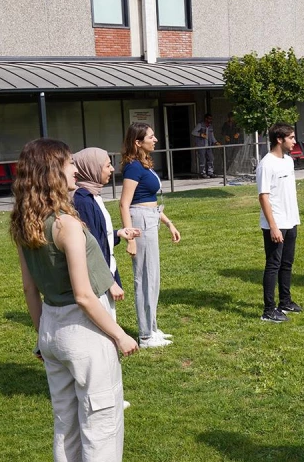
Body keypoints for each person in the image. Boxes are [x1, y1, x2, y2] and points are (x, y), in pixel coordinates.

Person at [10, 138, 139, 462]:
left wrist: (41, 336)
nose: (73, 171)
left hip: (51, 327)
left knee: (66, 422)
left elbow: (30, 291)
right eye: (66, 165)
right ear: (52, 172)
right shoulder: (65, 224)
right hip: (83, 334)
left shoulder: (24, 223)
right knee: (100, 423)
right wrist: (119, 335)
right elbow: (84, 295)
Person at [119, 123, 181, 348]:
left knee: (152, 276)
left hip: (150, 218)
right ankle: (145, 335)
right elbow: (124, 204)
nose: (155, 140)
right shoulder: (133, 167)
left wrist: (169, 223)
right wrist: (131, 239)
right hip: (140, 222)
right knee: (144, 277)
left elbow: (152, 202)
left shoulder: (144, 164)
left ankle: (152, 327)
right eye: (151, 137)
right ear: (138, 142)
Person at [71, 147, 140, 321]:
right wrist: (109, 282)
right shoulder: (83, 201)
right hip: (95, 282)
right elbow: (89, 247)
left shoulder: (93, 195)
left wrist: (118, 234)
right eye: (107, 165)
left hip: (101, 276)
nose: (112, 169)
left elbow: (97, 235)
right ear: (92, 168)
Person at [257, 122, 302, 323]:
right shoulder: (266, 164)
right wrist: (273, 226)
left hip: (290, 221)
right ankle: (269, 310)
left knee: (287, 263)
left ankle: (285, 301)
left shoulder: (288, 161)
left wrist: (293, 220)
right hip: (275, 224)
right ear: (279, 139)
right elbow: (264, 197)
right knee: (273, 265)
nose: (294, 141)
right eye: (291, 137)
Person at [192, 114, 219, 178]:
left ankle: (210, 172)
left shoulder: (210, 126)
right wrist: (200, 134)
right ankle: (202, 173)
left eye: (211, 119)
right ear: (206, 119)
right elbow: (193, 132)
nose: (210, 120)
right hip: (201, 145)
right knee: (202, 159)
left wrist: (215, 142)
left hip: (209, 145)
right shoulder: (200, 125)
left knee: (211, 158)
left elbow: (212, 136)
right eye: (209, 118)